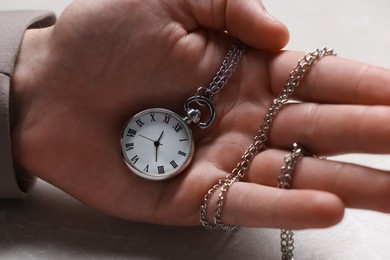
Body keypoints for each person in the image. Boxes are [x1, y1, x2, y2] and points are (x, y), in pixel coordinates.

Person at [0, 0, 388, 231]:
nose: (155, 140)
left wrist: (26, 87)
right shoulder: (158, 128)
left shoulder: (173, 133)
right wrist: (37, 79)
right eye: (152, 139)